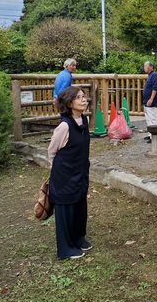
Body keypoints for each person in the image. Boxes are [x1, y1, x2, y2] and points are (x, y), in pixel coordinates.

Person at [47, 86, 92, 259]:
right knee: (66, 209)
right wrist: (58, 173)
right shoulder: (64, 126)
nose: (84, 100)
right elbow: (52, 151)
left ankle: (78, 238)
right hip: (64, 176)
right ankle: (66, 249)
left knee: (80, 206)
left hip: (80, 173)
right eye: (79, 97)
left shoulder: (84, 121)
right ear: (70, 103)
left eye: (84, 96)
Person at [143, 61, 157, 143]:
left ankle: (154, 137)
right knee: (148, 119)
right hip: (146, 102)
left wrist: (151, 99)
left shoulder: (154, 75)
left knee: (153, 119)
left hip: (152, 102)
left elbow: (155, 88)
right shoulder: (149, 75)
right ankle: (150, 135)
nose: (144, 67)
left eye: (145, 66)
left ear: (150, 66)